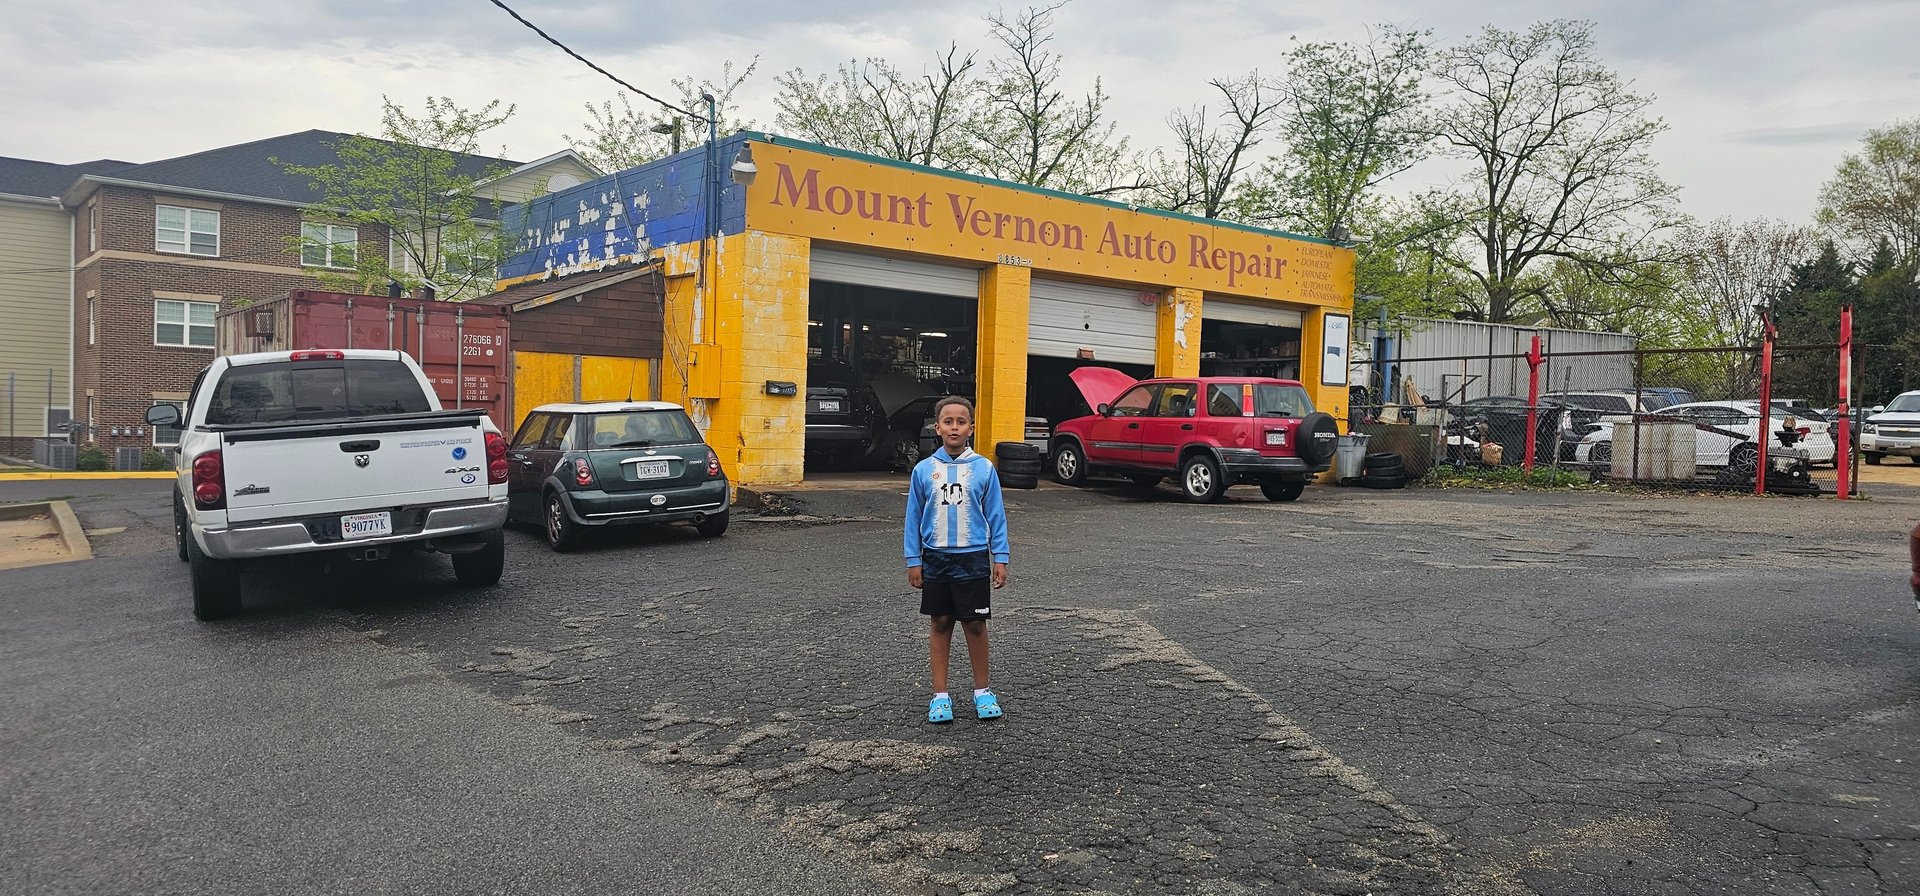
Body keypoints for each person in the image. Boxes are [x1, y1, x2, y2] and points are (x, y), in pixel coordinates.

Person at [904, 396, 1010, 724]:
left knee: (975, 624)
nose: (954, 427)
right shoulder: (923, 470)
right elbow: (912, 517)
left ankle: (983, 691)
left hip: (973, 558)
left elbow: (996, 515)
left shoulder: (984, 468)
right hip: (935, 558)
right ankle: (940, 696)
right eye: (947, 421)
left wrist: (1000, 556)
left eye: (961, 422)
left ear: (971, 428)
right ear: (937, 428)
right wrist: (913, 559)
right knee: (939, 622)